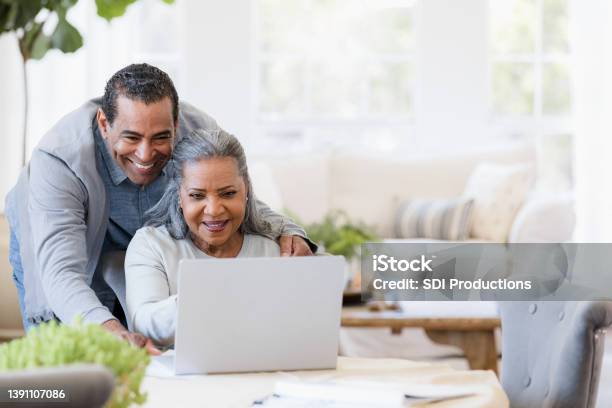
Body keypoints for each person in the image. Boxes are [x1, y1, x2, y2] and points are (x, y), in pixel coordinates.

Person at [5, 63, 314, 352]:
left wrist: (287, 230)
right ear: (103, 124)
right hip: (63, 239)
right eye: (131, 137)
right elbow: (61, 274)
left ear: (176, 124)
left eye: (160, 137)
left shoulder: (198, 131)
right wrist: (108, 328)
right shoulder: (61, 157)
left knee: (137, 348)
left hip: (140, 237)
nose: (146, 154)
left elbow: (231, 193)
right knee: (70, 343)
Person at [125, 128, 280, 346]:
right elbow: (145, 324)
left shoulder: (271, 249)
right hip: (182, 379)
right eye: (197, 196)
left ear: (246, 190)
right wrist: (208, 296)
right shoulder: (152, 245)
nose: (214, 210)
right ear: (179, 195)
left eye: (228, 193)